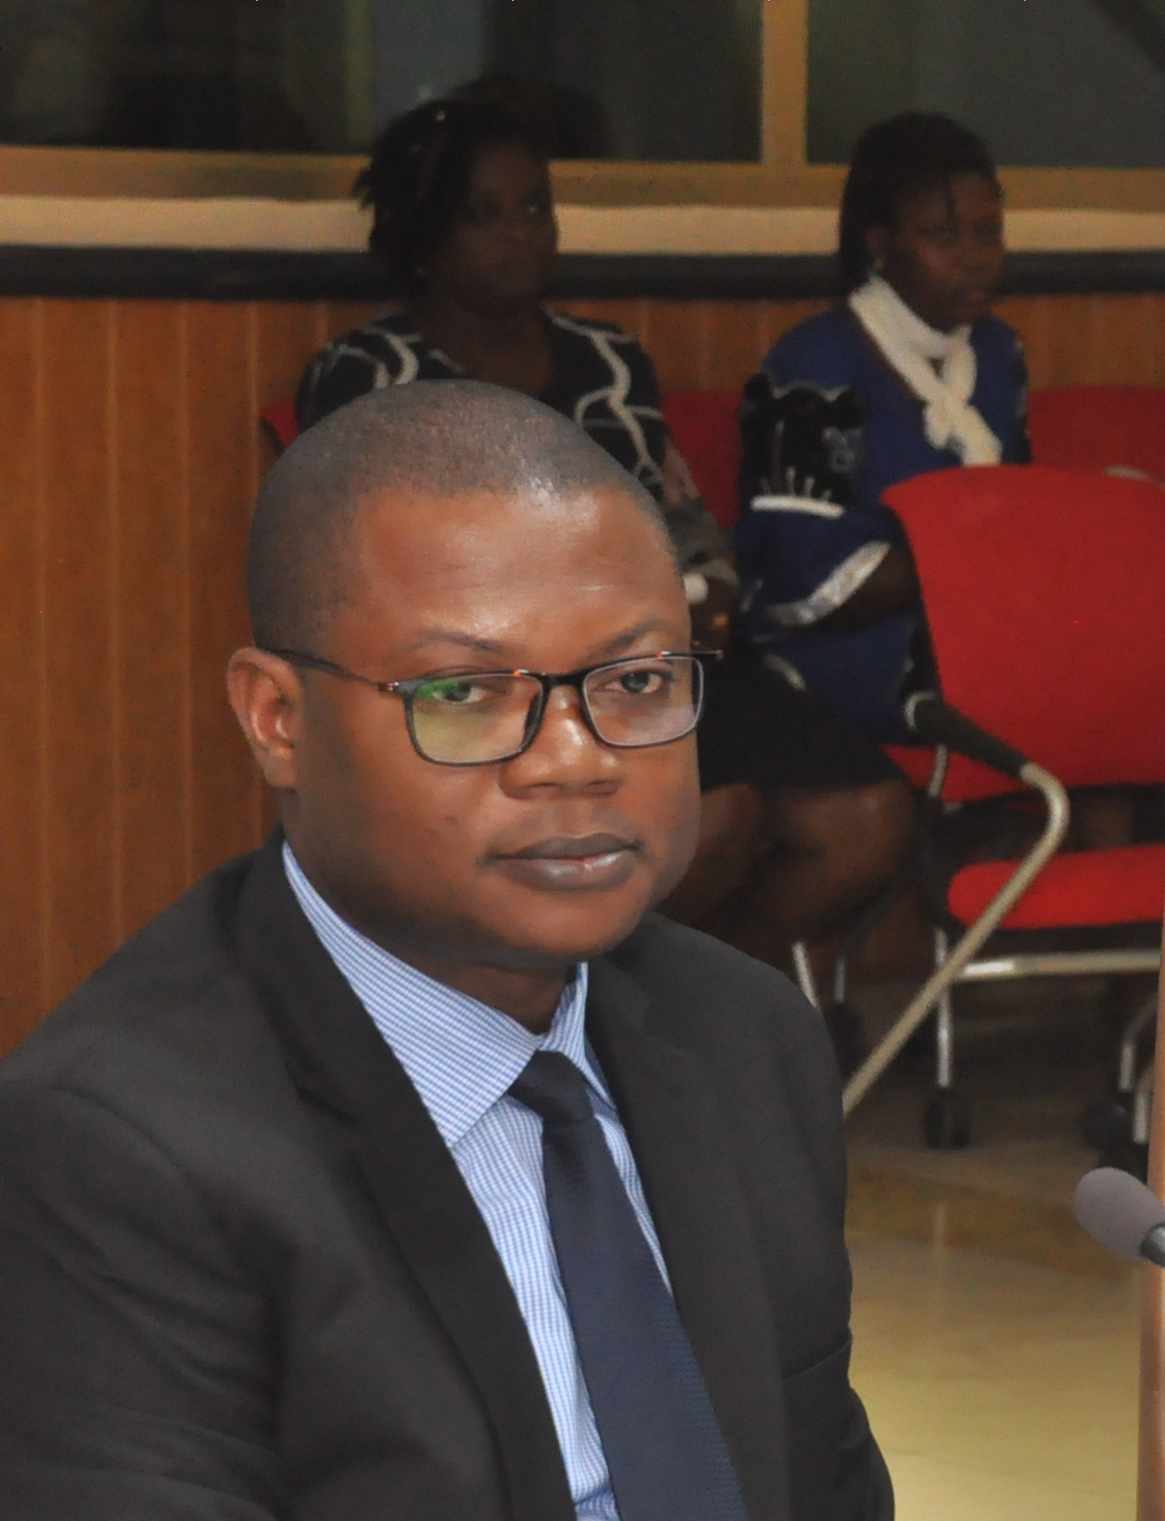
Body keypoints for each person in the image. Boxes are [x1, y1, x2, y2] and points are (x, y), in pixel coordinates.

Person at [0, 381, 1005, 1521]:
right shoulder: (116, 1154)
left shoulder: (740, 1044)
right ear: (276, 718)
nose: (575, 758)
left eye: (637, 682)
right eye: (465, 695)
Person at [295, 92, 915, 1006]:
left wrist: (707, 592)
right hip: (494, 689)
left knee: (865, 819)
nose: (521, 234)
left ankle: (692, 1020)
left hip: (643, 667)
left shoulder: (610, 362)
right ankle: (572, 1023)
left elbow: (672, 513)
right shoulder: (371, 375)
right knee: (714, 819)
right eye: (486, 215)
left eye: (535, 208)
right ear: (426, 235)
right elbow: (364, 573)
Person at [735, 111, 1029, 748]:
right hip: (835, 645)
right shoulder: (814, 366)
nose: (975, 258)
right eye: (941, 236)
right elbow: (803, 582)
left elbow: (1024, 517)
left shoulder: (998, 353)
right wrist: (974, 554)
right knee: (1042, 678)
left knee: (1108, 661)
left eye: (989, 233)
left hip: (972, 623)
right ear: (878, 242)